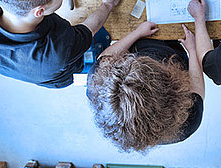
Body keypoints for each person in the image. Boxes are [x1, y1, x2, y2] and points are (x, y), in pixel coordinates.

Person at [87, 22, 205, 152]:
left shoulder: (100, 87)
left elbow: (106, 58)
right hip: (175, 51)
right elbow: (197, 87)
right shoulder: (187, 123)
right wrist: (193, 51)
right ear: (170, 89)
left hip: (140, 42)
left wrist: (137, 33)